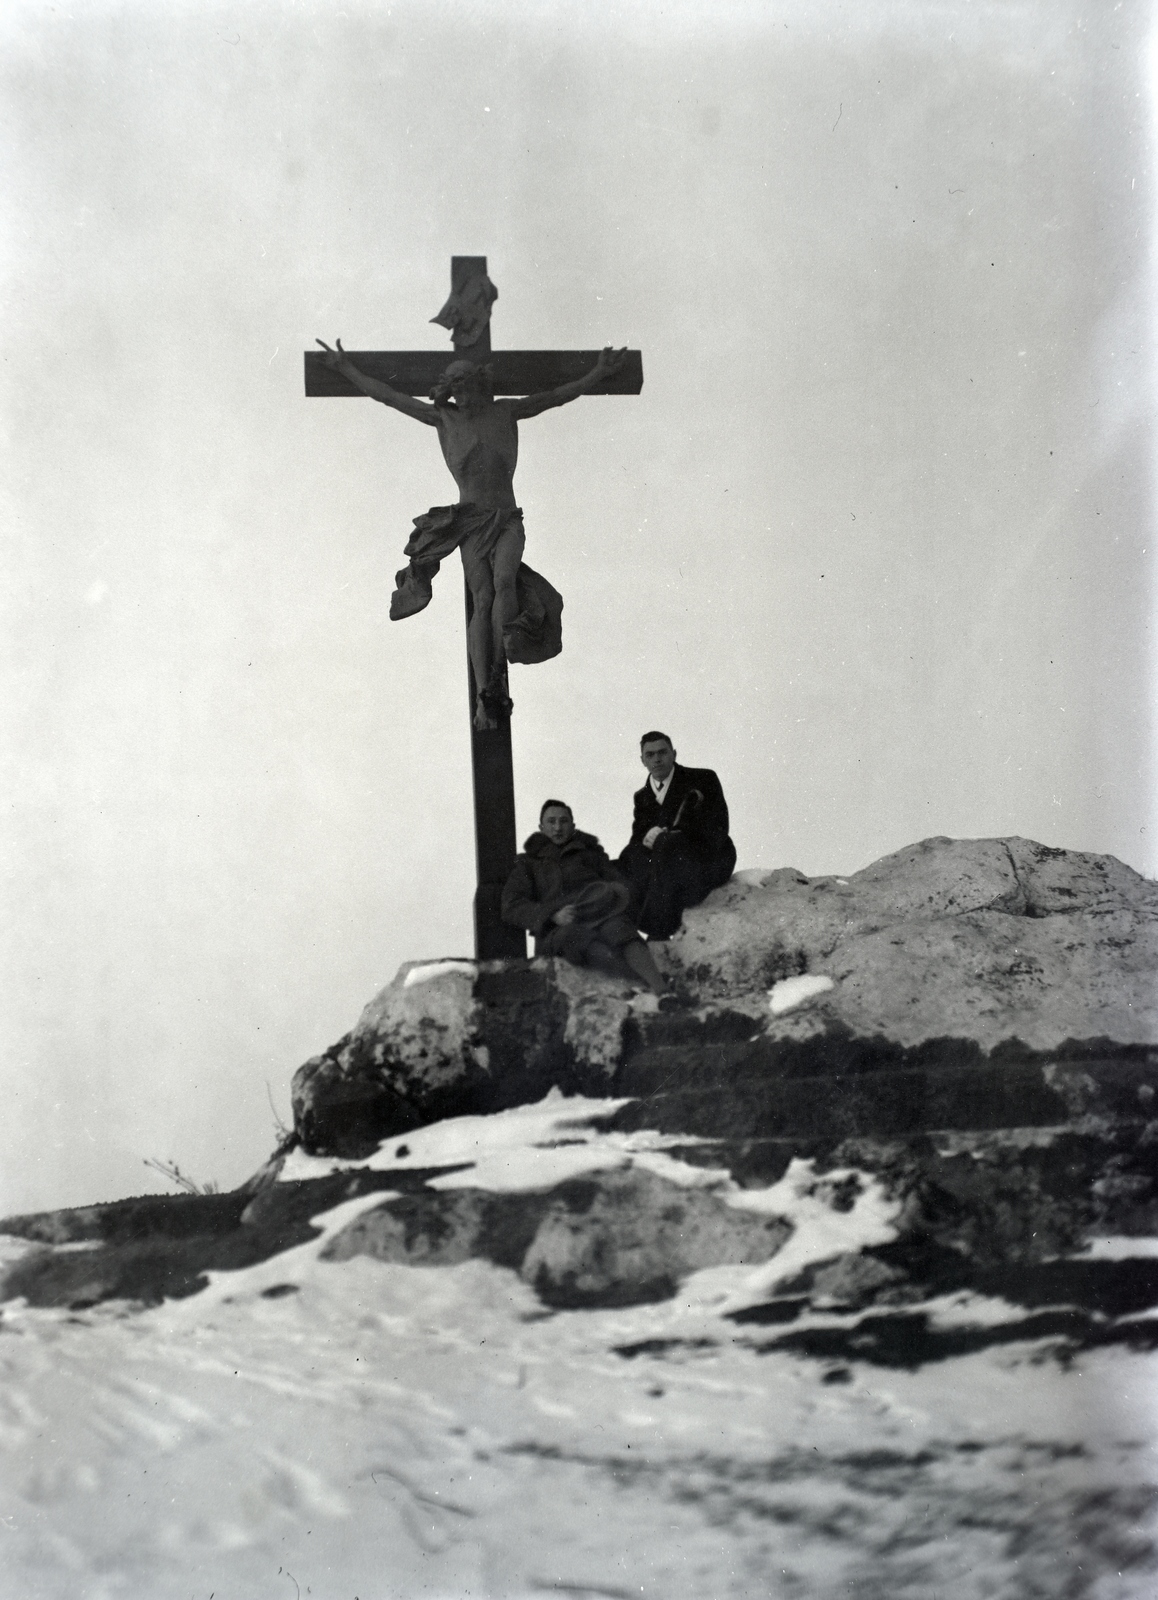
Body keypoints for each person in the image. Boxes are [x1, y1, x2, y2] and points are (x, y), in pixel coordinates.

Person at [316, 339, 628, 730]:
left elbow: (556, 396)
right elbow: (390, 397)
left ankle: (500, 665)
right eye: (452, 385)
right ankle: (486, 692)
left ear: (479, 383)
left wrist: (600, 372)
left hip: (506, 516)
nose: (458, 391)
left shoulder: (506, 411)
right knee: (483, 597)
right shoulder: (442, 420)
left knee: (503, 580)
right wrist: (345, 368)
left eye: (463, 382)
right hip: (469, 521)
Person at [501, 800, 669, 995]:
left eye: (563, 821)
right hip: (557, 931)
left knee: (620, 927)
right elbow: (511, 905)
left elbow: (620, 883)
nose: (557, 828)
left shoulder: (590, 854)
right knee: (576, 937)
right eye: (551, 822)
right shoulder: (528, 863)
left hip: (598, 915)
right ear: (541, 827)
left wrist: (611, 896)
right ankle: (639, 982)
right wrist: (552, 915)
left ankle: (662, 989)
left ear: (572, 826)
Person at [617, 731, 737, 940]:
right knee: (624, 859)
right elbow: (636, 843)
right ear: (642, 760)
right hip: (666, 872)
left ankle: (657, 931)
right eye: (650, 755)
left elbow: (718, 827)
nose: (657, 759)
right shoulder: (642, 797)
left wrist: (674, 833)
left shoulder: (703, 779)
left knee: (667, 843)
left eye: (662, 752)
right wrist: (647, 837)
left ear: (674, 754)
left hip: (705, 863)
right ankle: (628, 931)